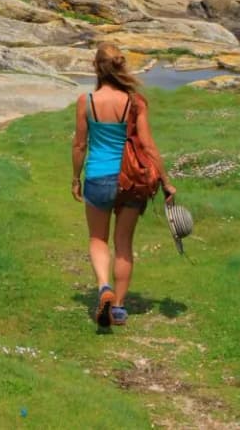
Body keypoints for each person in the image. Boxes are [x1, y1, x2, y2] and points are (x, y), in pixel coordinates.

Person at [71, 41, 176, 328]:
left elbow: (80, 145)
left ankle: (104, 287)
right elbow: (148, 146)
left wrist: (75, 179)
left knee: (97, 239)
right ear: (121, 67)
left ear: (96, 67)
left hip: (97, 177)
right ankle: (117, 307)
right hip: (132, 180)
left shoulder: (87, 101)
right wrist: (166, 181)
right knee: (124, 243)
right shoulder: (135, 102)